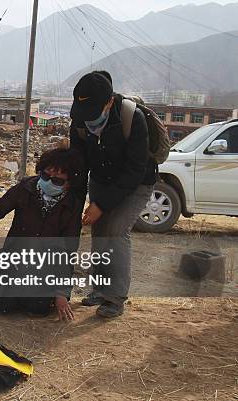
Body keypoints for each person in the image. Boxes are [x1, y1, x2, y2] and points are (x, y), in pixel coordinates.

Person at [0, 148, 84, 321]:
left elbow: (68, 250)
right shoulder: (26, 188)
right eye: (46, 176)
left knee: (37, 309)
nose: (48, 182)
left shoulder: (72, 205)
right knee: (3, 306)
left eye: (57, 180)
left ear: (70, 183)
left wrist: (61, 293)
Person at [69, 71, 156, 318]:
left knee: (115, 231)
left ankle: (115, 297)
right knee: (100, 230)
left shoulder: (132, 117)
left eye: (94, 112)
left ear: (109, 102)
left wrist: (102, 204)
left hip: (136, 182)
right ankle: (99, 289)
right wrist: (75, 200)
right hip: (101, 179)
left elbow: (135, 170)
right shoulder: (78, 120)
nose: (88, 120)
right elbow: (78, 162)